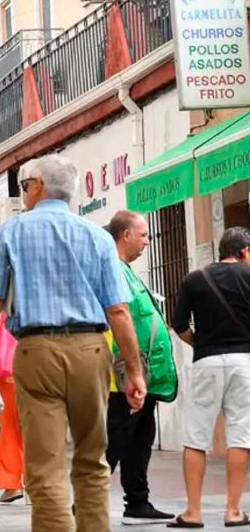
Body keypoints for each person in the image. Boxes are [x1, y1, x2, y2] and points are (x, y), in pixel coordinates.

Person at [0, 154, 146, 532]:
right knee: (92, 459)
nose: (25, 192)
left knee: (45, 464)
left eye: (26, 185)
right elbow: (119, 311)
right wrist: (132, 371)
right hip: (90, 349)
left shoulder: (10, 233)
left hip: (37, 351)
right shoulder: (96, 236)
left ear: (37, 186)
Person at [168, 227, 250, 528]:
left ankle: (193, 512)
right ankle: (233, 511)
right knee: (241, 435)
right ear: (243, 251)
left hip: (206, 362)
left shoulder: (194, 279)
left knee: (196, 437)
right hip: (245, 362)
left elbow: (178, 325)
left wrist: (199, 344)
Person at [106, 211, 178, 525]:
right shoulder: (113, 271)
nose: (148, 241)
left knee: (139, 439)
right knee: (115, 442)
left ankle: (137, 502)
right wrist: (130, 370)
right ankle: (85, 503)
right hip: (123, 378)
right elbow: (119, 317)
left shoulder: (125, 270)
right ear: (125, 235)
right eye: (144, 235)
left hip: (142, 375)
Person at [0, 314, 25, 506]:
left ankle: (12, 484)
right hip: (39, 368)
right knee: (37, 428)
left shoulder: (2, 311)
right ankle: (38, 481)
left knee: (10, 429)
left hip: (8, 374)